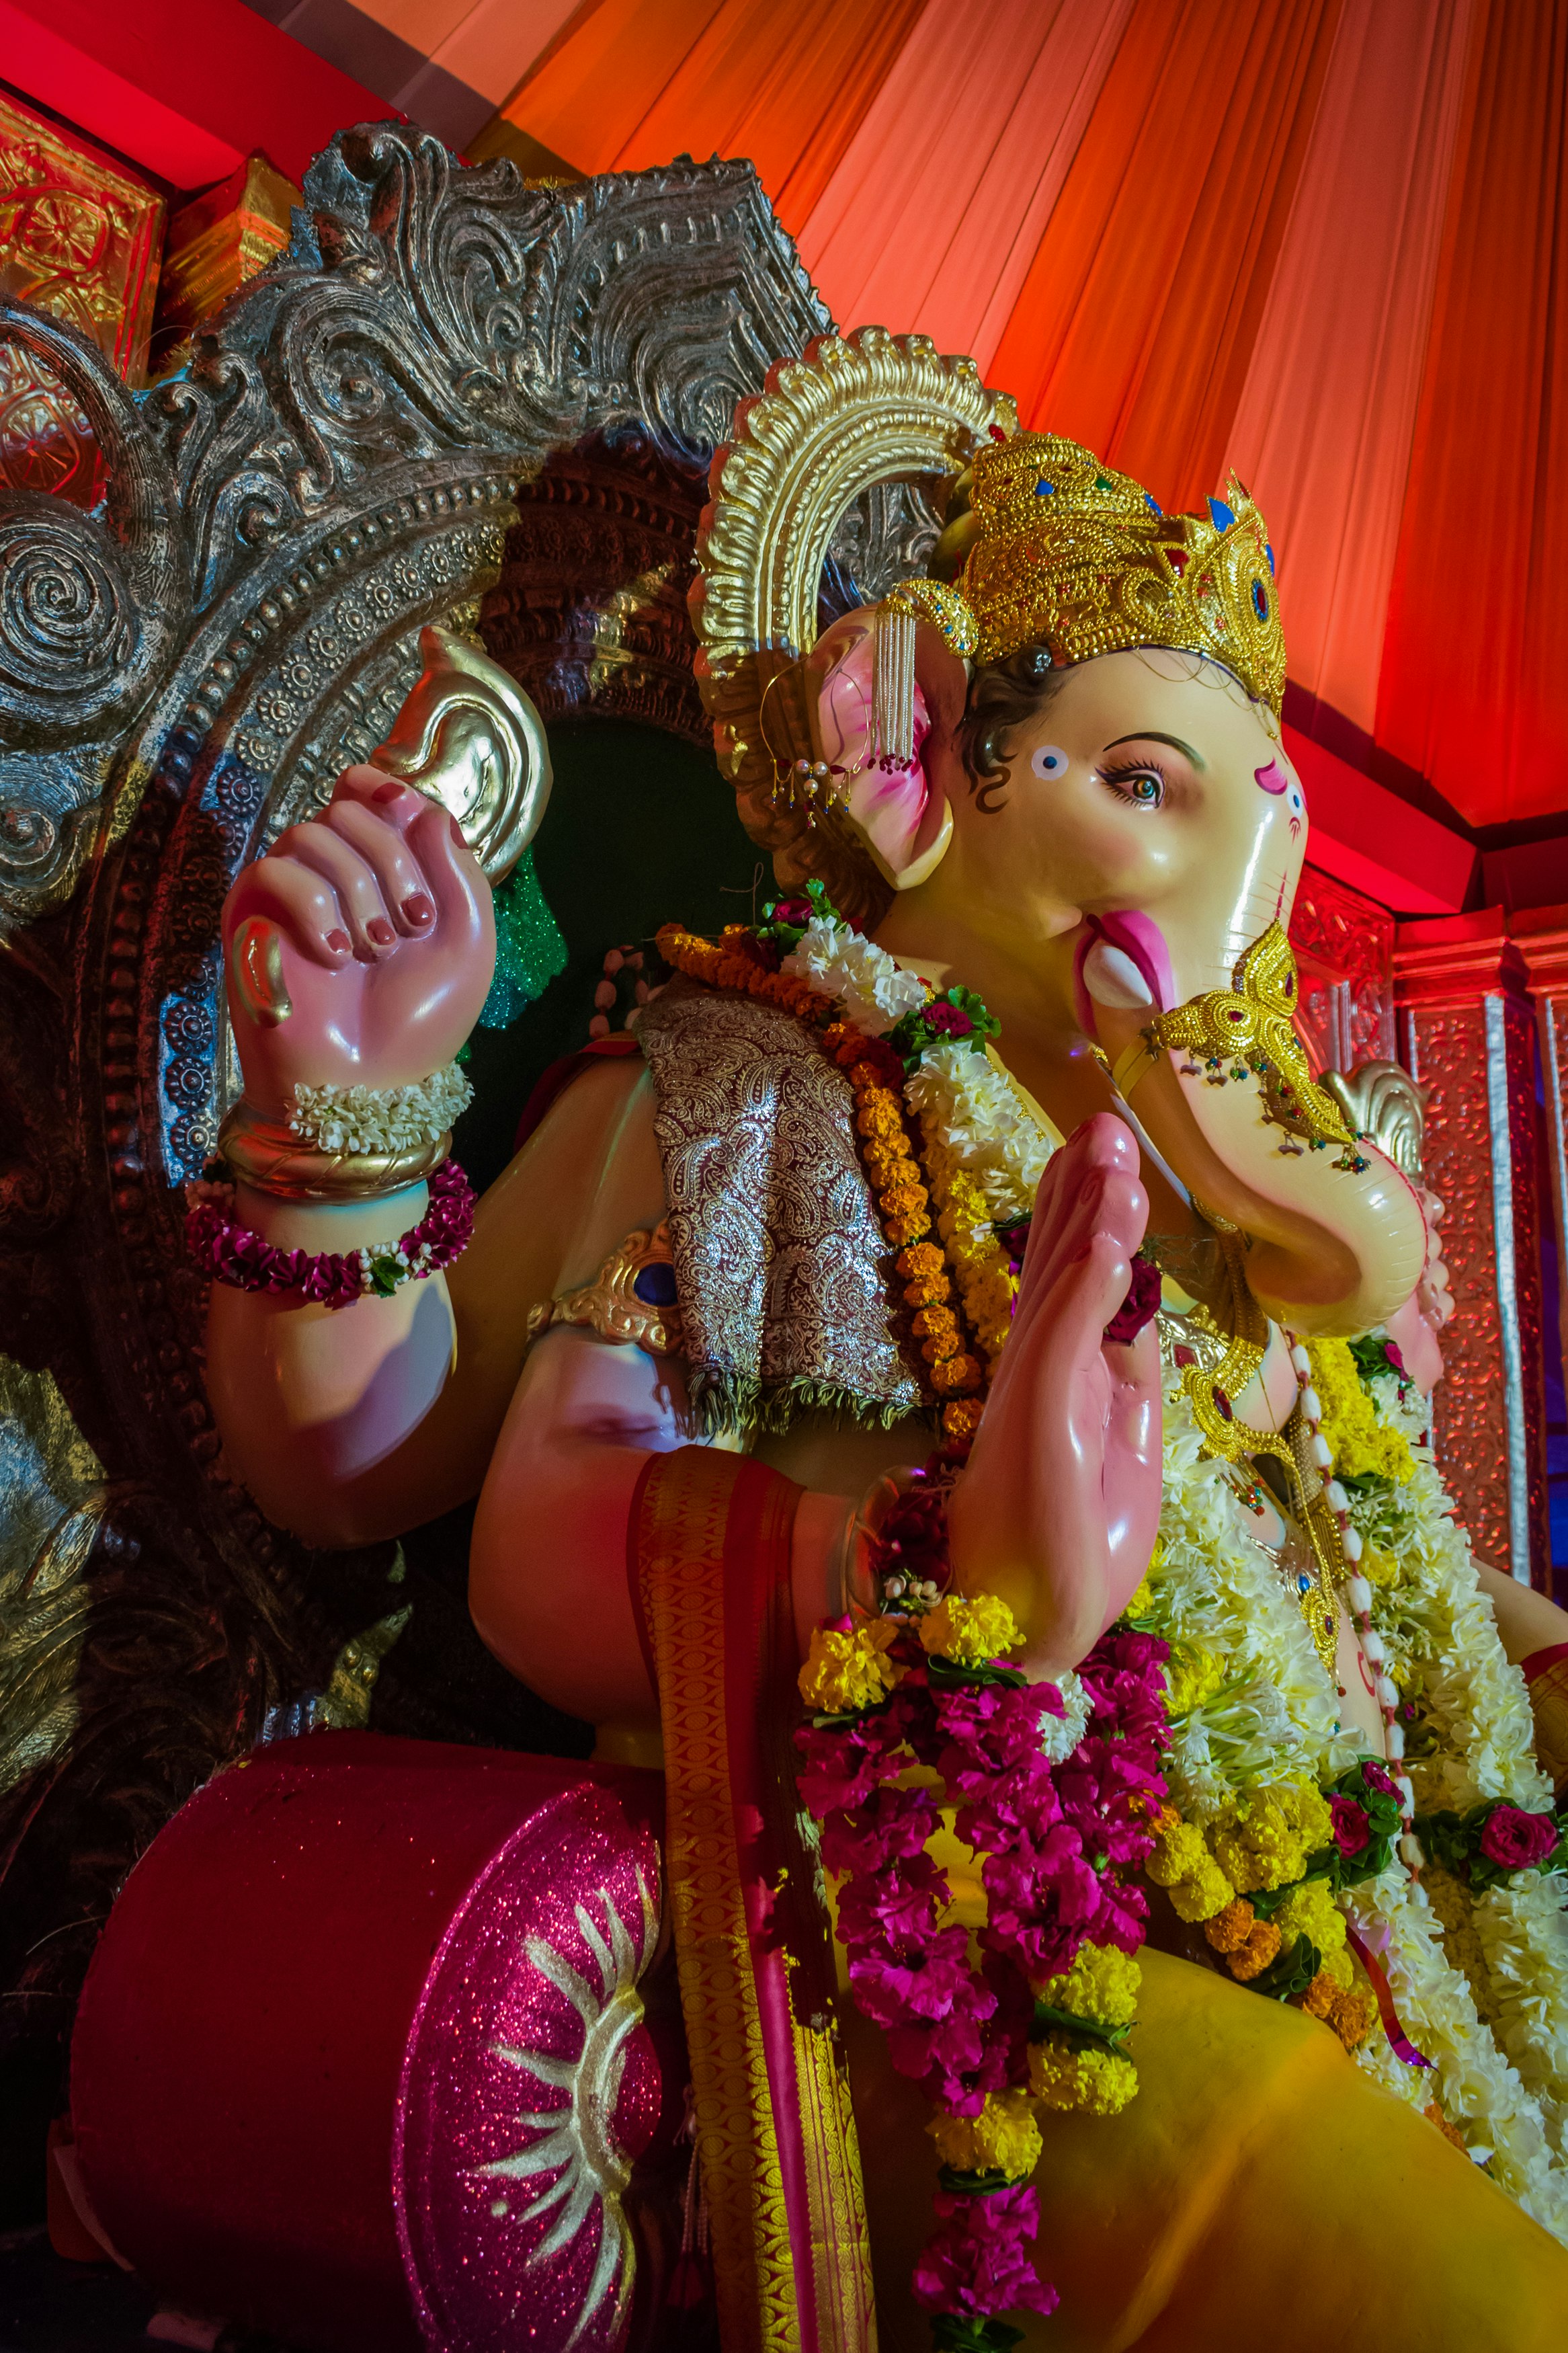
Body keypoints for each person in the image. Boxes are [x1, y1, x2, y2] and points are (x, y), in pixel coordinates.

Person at [200, 360, 1568, 2347]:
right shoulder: (767, 1086)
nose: (1216, 887)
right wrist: (949, 1577)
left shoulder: (1225, 1205)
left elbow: (1359, 1594)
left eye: (1238, 808)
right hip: (973, 1955)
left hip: (1384, 1938)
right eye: (1138, 783)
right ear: (916, 760)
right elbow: (435, 1490)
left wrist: (1526, 1662)